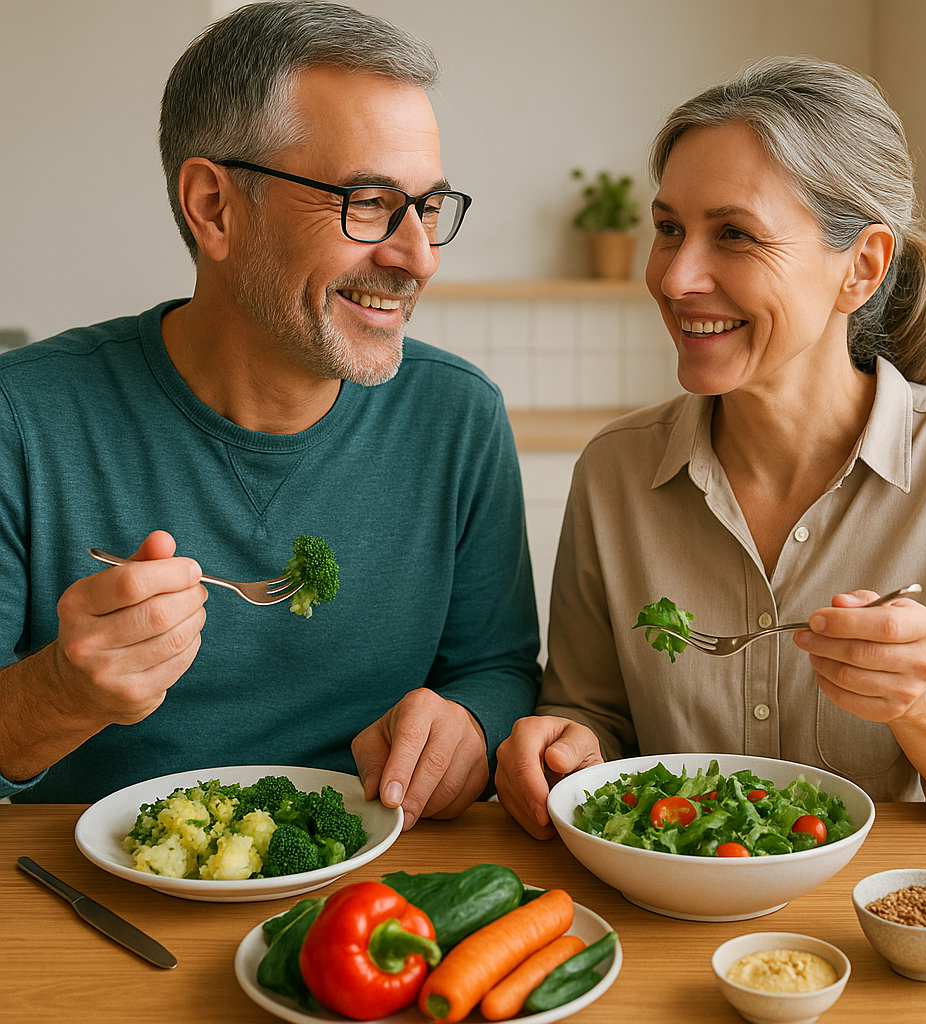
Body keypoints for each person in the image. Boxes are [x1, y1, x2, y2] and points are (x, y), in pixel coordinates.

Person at [0, 1, 541, 825]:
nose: (418, 257)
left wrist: (469, 721)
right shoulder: (21, 418)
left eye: (428, 207)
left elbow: (498, 667)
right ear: (214, 206)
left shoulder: (457, 416)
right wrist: (60, 694)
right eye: (368, 202)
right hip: (94, 911)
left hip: (372, 894)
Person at [495, 56, 926, 839]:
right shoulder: (615, 472)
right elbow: (592, 714)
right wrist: (566, 744)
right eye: (669, 228)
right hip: (658, 921)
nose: (676, 278)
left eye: (734, 235)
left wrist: (924, 697)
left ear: (863, 268)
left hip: (867, 931)